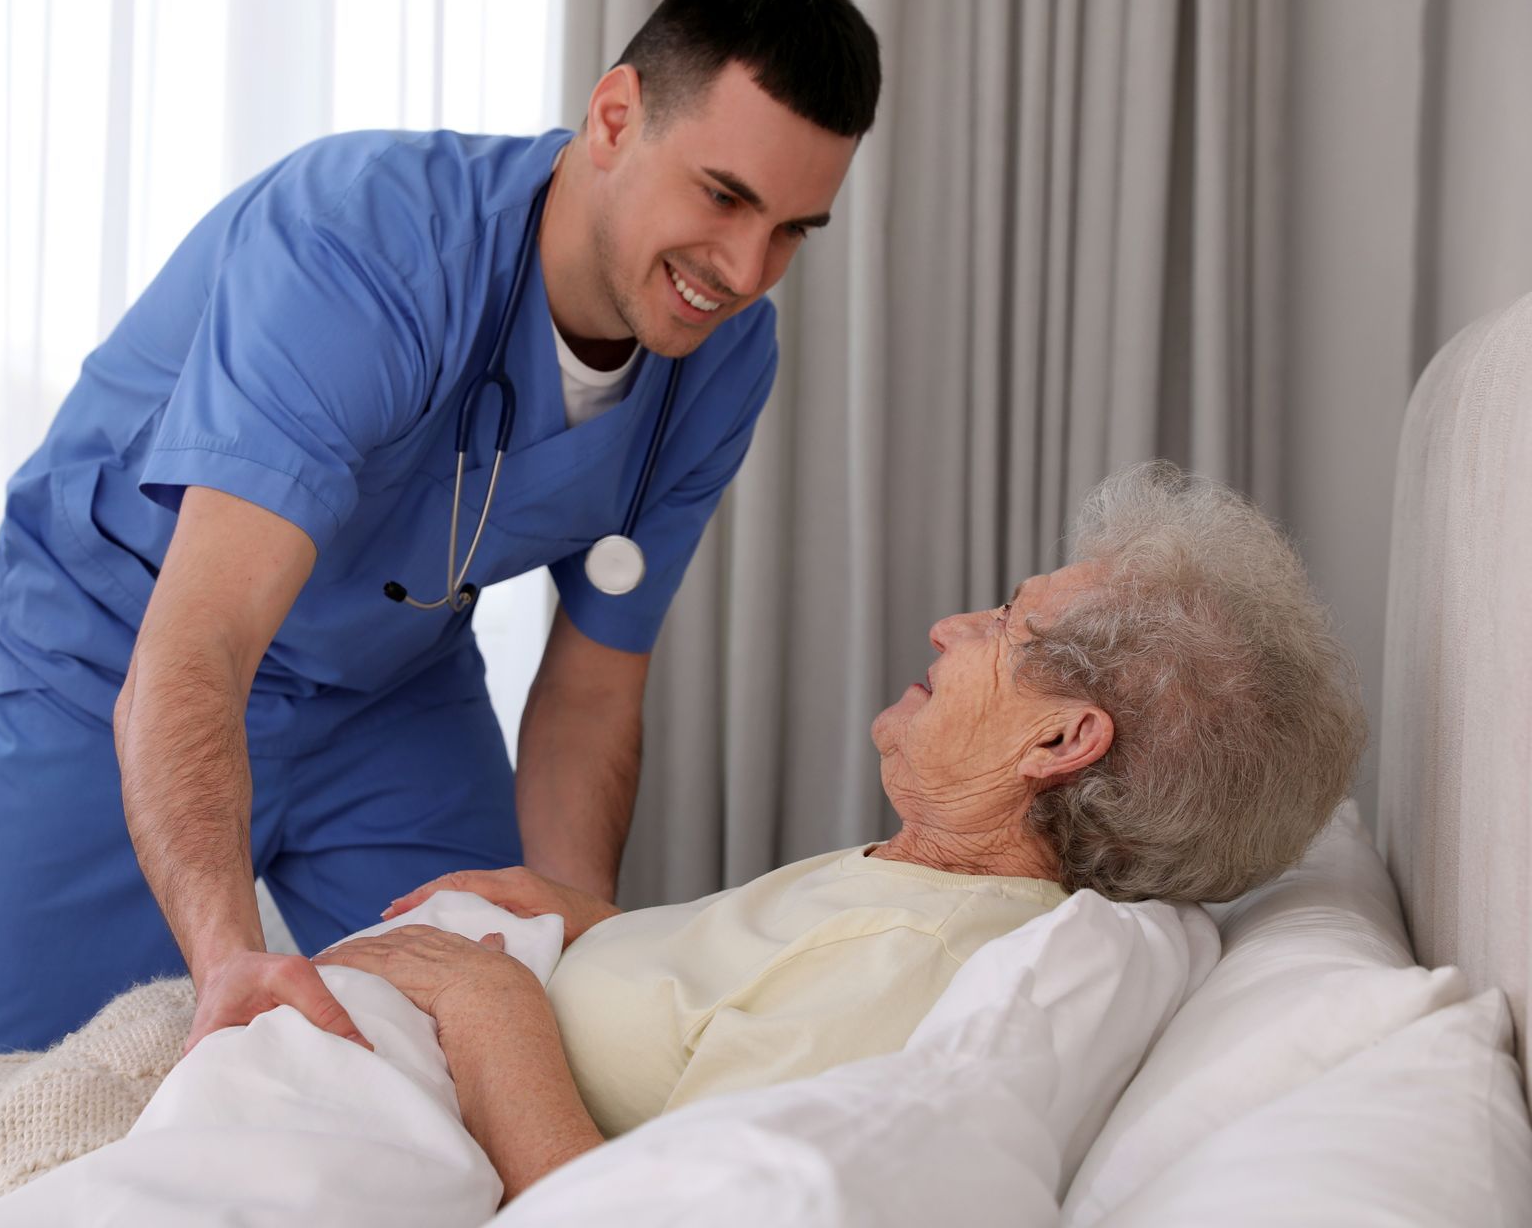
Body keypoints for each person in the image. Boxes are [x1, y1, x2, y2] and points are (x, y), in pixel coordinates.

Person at [0, 0, 884, 1056]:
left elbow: (593, 693)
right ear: (615, 117)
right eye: (724, 196)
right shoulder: (365, 247)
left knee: (507, 1044)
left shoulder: (724, 356)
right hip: (124, 650)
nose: (747, 268)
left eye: (794, 228)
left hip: (386, 689)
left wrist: (575, 960)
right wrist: (230, 962)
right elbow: (201, 642)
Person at [316, 461, 1368, 1198]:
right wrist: (600, 927)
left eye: (1007, 623)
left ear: (1062, 737)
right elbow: (730, 999)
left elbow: (625, 1204)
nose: (949, 628)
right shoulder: (923, 880)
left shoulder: (906, 956)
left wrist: (491, 1002)